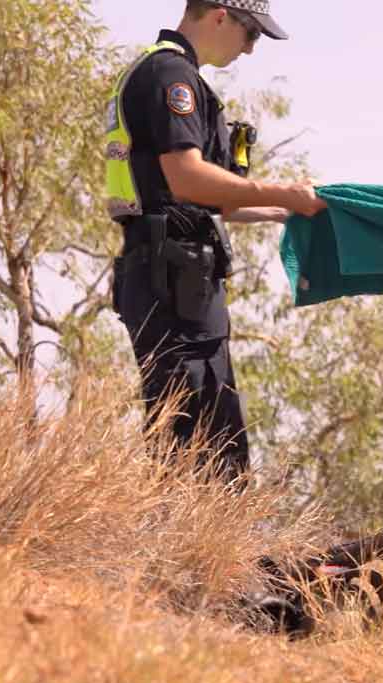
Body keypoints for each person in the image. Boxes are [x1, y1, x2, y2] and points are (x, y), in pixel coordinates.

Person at [105, 0, 326, 481]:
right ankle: (193, 555)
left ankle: (202, 552)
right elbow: (186, 179)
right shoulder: (171, 76)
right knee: (199, 448)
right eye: (251, 35)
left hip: (176, 280)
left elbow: (211, 201)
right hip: (173, 283)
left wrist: (285, 210)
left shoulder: (172, 74)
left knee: (207, 437)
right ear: (222, 14)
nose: (250, 50)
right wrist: (282, 190)